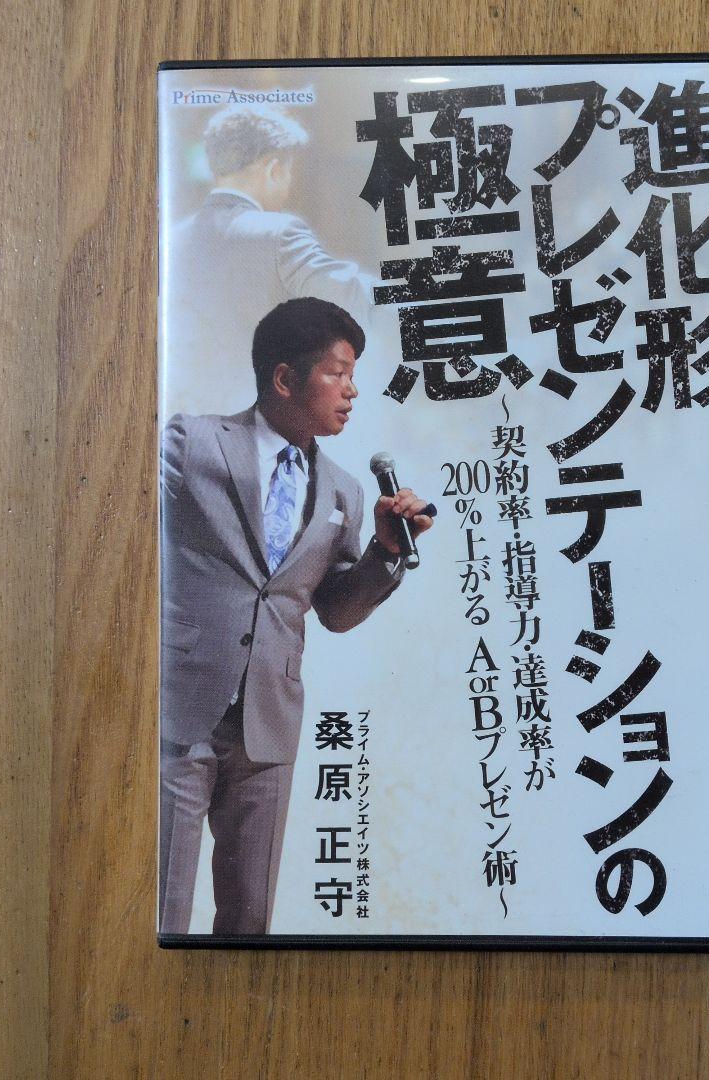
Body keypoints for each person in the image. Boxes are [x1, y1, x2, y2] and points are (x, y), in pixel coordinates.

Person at [158, 297, 431, 935]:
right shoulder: (191, 443)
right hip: (178, 711)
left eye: (353, 375)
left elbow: (336, 611)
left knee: (250, 919)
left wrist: (385, 553)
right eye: (338, 372)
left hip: (268, 727)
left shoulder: (345, 491)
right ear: (285, 379)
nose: (352, 390)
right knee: (161, 909)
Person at [167, 103, 374, 416]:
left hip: (186, 415)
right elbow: (350, 297)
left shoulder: (173, 239)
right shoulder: (278, 233)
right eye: (288, 172)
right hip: (255, 419)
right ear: (273, 169)